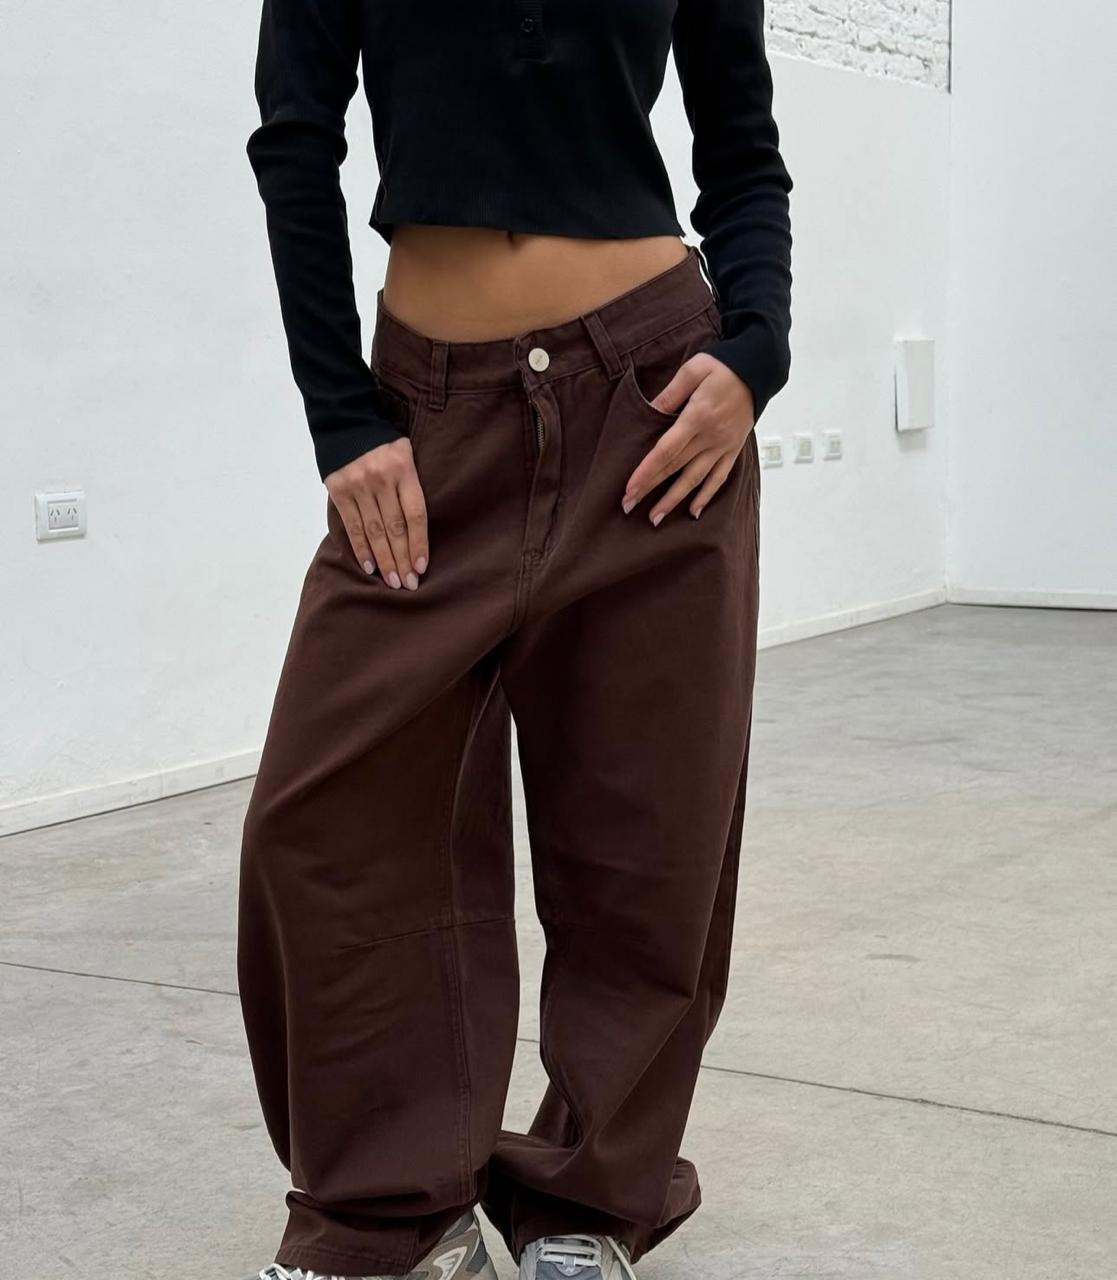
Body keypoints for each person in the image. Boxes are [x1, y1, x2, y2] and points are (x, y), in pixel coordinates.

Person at [237, 2, 792, 1279]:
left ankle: (592, 1201)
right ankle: (393, 1212)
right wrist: (341, 416)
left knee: (647, 834)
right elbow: (294, 139)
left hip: (652, 403)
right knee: (324, 819)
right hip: (428, 416)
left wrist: (752, 357)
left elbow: (742, 153)